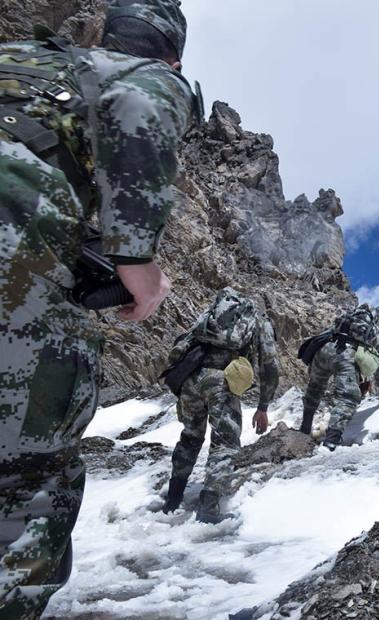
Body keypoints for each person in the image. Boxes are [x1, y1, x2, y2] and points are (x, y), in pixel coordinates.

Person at [0, 1, 195, 616]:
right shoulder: (145, 74)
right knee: (31, 482)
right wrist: (135, 257)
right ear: (171, 54)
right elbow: (140, 106)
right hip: (13, 249)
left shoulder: (18, 58)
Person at [161, 288, 279, 523]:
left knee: (190, 437)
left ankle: (172, 500)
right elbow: (270, 367)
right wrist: (263, 406)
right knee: (224, 444)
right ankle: (209, 509)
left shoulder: (210, 316)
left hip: (191, 377)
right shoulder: (258, 320)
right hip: (221, 381)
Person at [299, 304, 379, 450]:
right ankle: (331, 440)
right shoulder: (371, 329)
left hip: (324, 350)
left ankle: (304, 429)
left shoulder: (345, 320)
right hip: (345, 354)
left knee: (315, 388)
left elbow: (324, 335)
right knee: (348, 397)